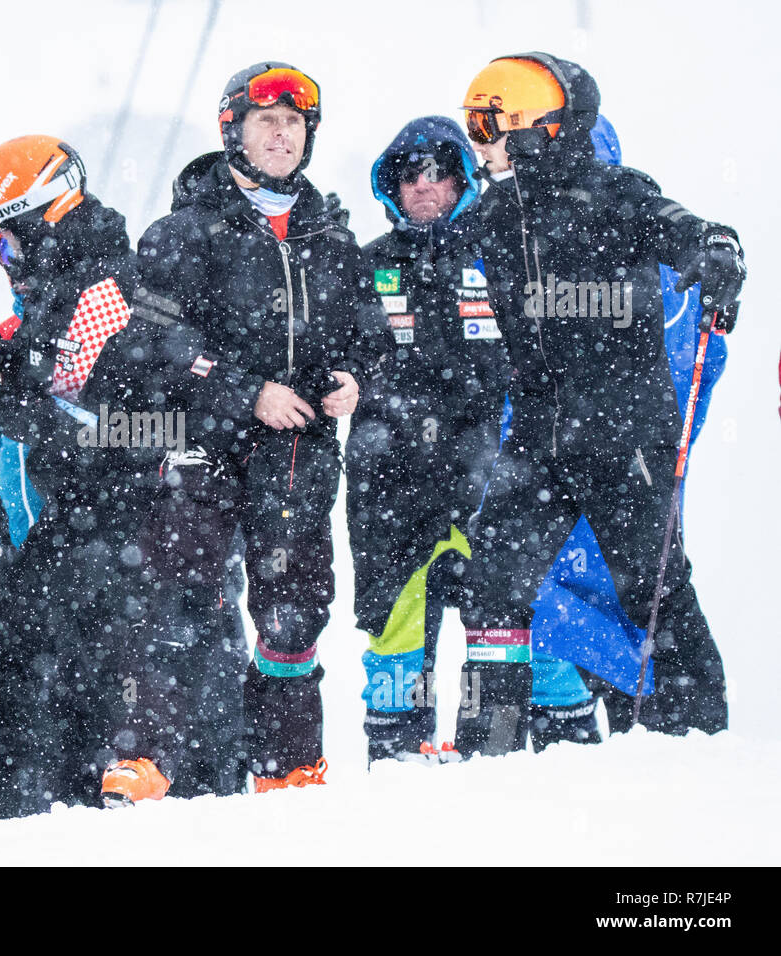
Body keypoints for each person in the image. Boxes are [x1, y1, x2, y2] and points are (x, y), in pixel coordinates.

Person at [106, 62, 394, 802]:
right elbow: (154, 338)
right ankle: (142, 763)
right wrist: (244, 392)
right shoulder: (183, 229)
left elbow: (373, 337)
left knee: (294, 611)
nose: (281, 133)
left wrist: (355, 378)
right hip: (201, 443)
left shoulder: (332, 237)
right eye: (266, 120)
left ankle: (288, 766)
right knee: (173, 596)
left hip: (296, 452)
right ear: (232, 129)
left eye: (294, 123)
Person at [455, 52, 743, 755]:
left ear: (541, 130)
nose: (479, 145)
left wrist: (718, 254)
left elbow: (695, 231)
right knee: (492, 573)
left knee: (655, 583)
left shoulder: (617, 194)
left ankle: (698, 740)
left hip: (626, 434)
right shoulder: (494, 215)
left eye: (491, 128)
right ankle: (489, 742)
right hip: (542, 436)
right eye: (474, 128)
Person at [0, 135, 178, 815]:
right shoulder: (63, 288)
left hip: (110, 506)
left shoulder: (106, 287)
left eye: (9, 242)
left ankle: (125, 763)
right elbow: (46, 388)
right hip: (65, 511)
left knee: (92, 627)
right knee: (10, 628)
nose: (7, 262)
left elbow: (80, 406)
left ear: (44, 219)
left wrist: (4, 388)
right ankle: (17, 784)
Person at [348, 116, 507, 764]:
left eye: (439, 171)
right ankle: (396, 749)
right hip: (390, 475)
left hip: (484, 466)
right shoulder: (366, 264)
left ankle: (491, 747)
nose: (424, 186)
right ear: (392, 186)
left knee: (497, 611)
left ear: (462, 180)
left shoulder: (499, 256)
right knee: (397, 619)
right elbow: (334, 355)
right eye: (409, 174)